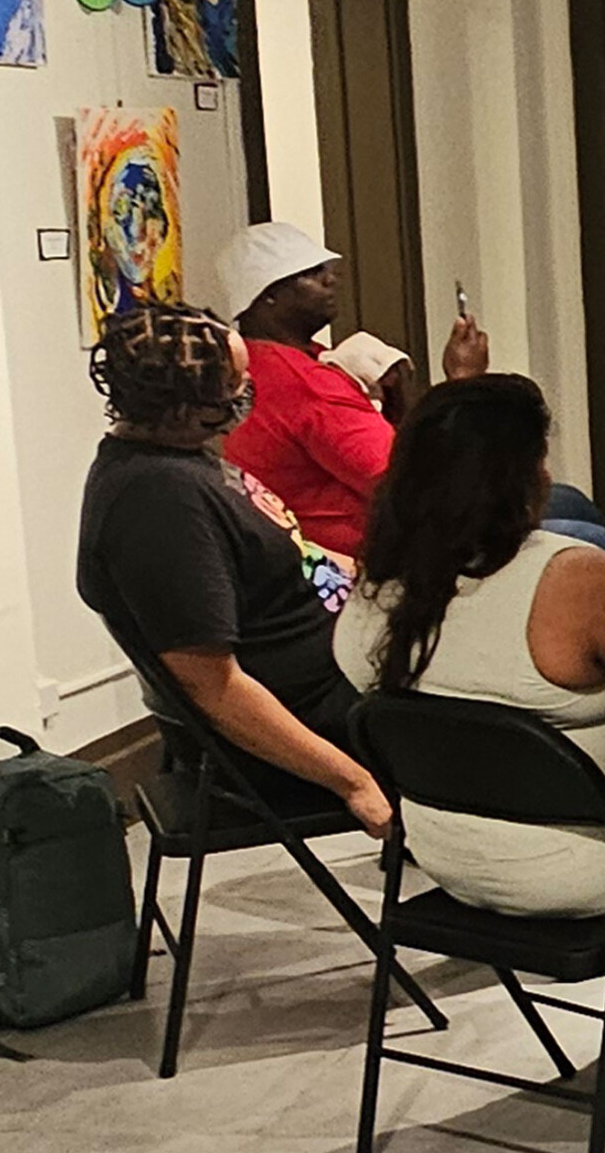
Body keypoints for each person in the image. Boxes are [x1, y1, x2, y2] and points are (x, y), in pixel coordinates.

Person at [331, 374, 605, 1128]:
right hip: (593, 868)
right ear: (526, 474)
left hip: (446, 852)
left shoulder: (374, 591)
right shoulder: (577, 580)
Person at [75, 302, 389, 837]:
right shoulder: (160, 502)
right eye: (236, 383)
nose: (249, 391)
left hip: (346, 662)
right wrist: (353, 783)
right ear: (187, 404)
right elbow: (215, 688)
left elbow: (292, 552)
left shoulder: (182, 459)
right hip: (320, 718)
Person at [217, 221, 489, 556]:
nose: (330, 279)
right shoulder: (307, 384)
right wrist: (464, 380)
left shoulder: (250, 362)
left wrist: (396, 402)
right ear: (268, 295)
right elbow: (421, 485)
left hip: (295, 553)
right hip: (368, 560)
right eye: (310, 273)